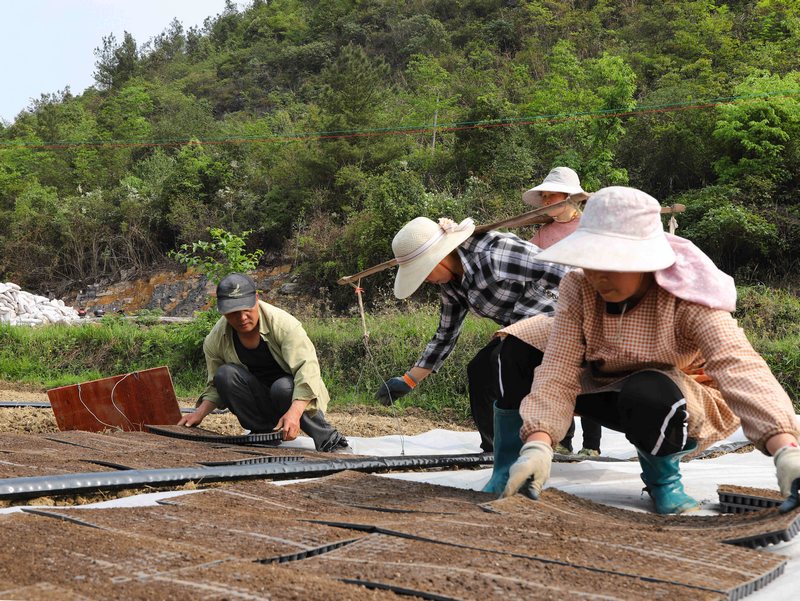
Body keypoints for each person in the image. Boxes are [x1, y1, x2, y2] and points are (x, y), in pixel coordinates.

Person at [489, 186, 800, 514]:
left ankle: (663, 481)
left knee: (649, 389)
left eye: (612, 264)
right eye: (590, 262)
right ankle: (511, 470)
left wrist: (786, 449)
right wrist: (538, 443)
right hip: (600, 384)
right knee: (517, 346)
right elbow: (559, 366)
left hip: (676, 403)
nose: (598, 277)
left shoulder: (685, 296)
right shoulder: (579, 285)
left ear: (646, 261)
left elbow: (738, 366)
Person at [375, 216, 569, 453]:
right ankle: (495, 447)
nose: (426, 280)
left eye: (424, 272)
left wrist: (524, 321)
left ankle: (550, 441)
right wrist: (409, 379)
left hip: (556, 317)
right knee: (479, 369)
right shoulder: (451, 285)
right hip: (514, 330)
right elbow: (446, 333)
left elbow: (560, 270)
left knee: (504, 360)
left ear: (441, 257)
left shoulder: (493, 253)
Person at [178, 273, 350, 453]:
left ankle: (330, 439)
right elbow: (215, 385)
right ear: (223, 311)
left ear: (257, 299)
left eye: (247, 309)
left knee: (282, 387)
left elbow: (308, 372)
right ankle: (263, 434)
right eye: (234, 312)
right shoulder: (216, 339)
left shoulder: (284, 326)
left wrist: (295, 413)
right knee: (224, 374)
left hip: (293, 396)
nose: (242, 317)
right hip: (260, 400)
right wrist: (199, 413)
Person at [523, 166, 601, 457]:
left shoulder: (589, 228)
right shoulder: (543, 233)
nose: (545, 201)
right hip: (554, 312)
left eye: (549, 195)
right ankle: (563, 440)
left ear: (568, 197)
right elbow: (526, 260)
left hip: (589, 307)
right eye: (542, 196)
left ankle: (592, 445)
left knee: (589, 375)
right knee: (559, 374)